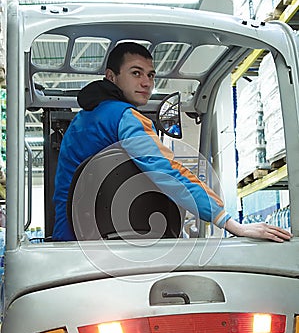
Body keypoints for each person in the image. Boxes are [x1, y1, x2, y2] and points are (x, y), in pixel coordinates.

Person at [52, 42, 292, 243]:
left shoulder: (80, 121)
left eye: (150, 75)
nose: (146, 82)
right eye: (136, 73)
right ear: (111, 77)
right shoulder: (125, 117)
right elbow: (166, 171)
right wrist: (227, 221)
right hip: (104, 244)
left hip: (71, 237)